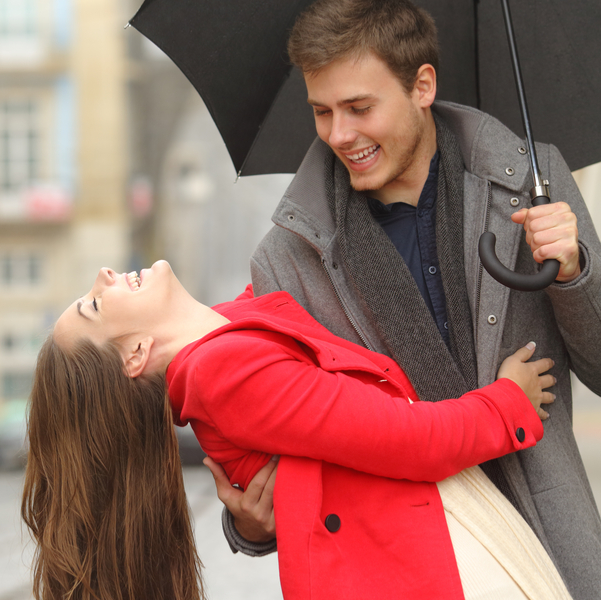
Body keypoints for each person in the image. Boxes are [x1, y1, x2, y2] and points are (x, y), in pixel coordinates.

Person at [212, 1, 601, 598]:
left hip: (552, 551)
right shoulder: (285, 261)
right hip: (405, 571)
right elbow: (294, 450)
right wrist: (251, 523)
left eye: (360, 108)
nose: (340, 134)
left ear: (422, 85)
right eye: (322, 111)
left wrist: (574, 272)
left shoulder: (532, 182)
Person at [21, 260, 569, 600]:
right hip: (428, 559)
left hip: (434, 534)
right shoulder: (221, 375)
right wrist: (507, 406)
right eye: (96, 304)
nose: (105, 275)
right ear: (136, 353)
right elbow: (400, 438)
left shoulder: (230, 332)